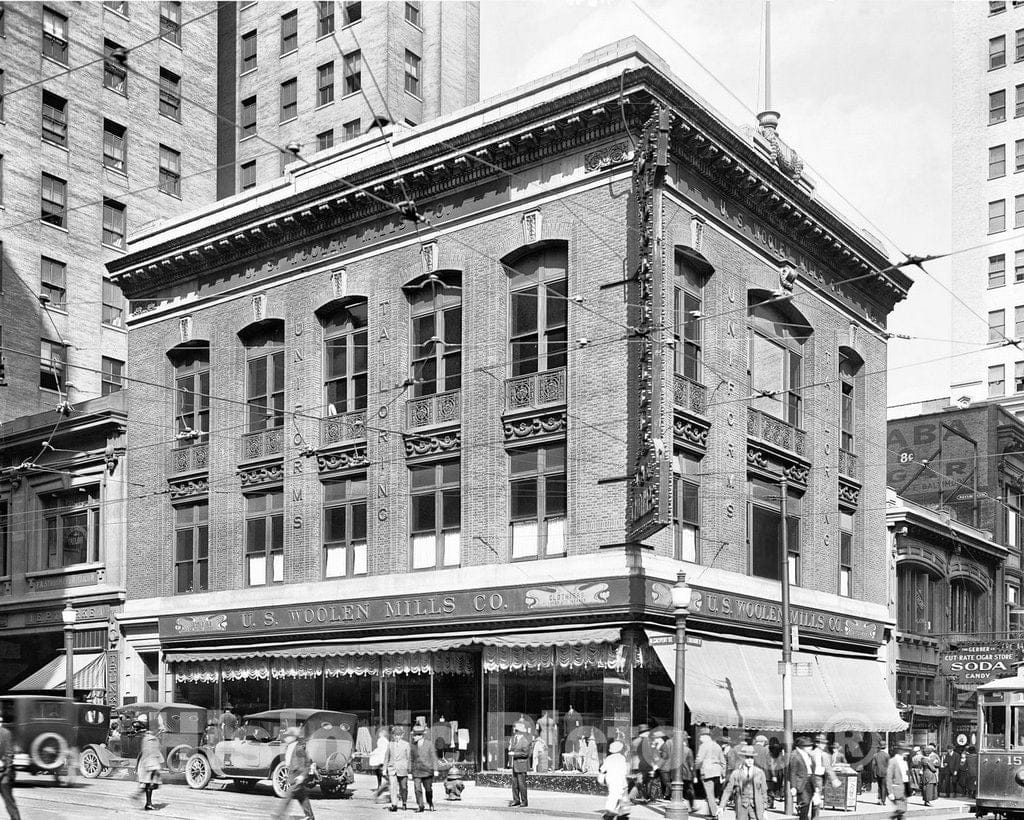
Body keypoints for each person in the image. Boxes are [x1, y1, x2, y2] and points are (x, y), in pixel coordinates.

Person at [271, 727, 314, 820]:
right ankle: (310, 817)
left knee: (289, 795)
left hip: (298, 776)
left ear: (293, 737)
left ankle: (279, 815)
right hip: (293, 775)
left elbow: (306, 764)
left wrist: (302, 776)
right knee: (302, 796)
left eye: (287, 736)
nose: (285, 738)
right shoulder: (290, 746)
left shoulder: (299, 748)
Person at [720, 744, 769, 820]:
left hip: (756, 806)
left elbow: (764, 791)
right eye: (747, 757)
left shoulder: (760, 773)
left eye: (751, 757)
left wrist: (765, 809)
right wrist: (721, 806)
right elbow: (728, 791)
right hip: (741, 806)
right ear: (742, 758)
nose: (750, 760)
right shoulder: (736, 773)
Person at [133, 718, 165, 812]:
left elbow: (156, 750)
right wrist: (151, 766)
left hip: (153, 763)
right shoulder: (149, 738)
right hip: (149, 764)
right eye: (158, 727)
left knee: (153, 785)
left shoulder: (153, 738)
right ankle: (148, 804)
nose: (159, 729)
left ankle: (138, 796)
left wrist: (160, 761)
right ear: (154, 728)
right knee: (150, 784)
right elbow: (147, 752)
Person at [696, 727, 727, 817]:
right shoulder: (717, 745)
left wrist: (694, 768)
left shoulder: (703, 746)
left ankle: (714, 814)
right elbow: (723, 761)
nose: (699, 739)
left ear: (705, 736)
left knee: (709, 794)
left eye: (700, 737)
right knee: (712, 793)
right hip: (717, 772)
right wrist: (723, 774)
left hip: (707, 772)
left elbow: (699, 759)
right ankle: (710, 812)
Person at [599, 739, 631, 820]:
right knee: (623, 795)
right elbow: (625, 770)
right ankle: (623, 812)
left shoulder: (608, 758)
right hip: (621, 780)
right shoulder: (622, 758)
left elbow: (602, 769)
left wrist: (601, 779)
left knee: (613, 795)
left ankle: (610, 812)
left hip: (611, 780)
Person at [410, 725, 437, 813]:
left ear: (421, 735)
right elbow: (411, 759)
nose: (414, 737)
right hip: (417, 771)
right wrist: (410, 771)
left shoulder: (429, 744)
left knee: (428, 789)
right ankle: (420, 805)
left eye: (416, 735)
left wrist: (435, 769)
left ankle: (430, 803)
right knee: (417, 789)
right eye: (414, 735)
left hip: (427, 770)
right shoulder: (413, 746)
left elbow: (434, 757)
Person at [788, 736, 817, 820]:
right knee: (805, 802)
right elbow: (792, 772)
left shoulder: (808, 754)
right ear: (801, 746)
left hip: (810, 780)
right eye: (807, 746)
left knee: (813, 803)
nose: (810, 747)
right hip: (801, 782)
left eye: (810, 746)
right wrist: (793, 786)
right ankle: (802, 816)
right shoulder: (795, 755)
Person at [385, 725, 411, 813]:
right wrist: (385, 768)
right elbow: (386, 757)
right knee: (392, 787)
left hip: (403, 769)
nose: (397, 737)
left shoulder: (406, 744)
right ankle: (394, 804)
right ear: (393, 735)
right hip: (392, 769)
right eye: (395, 735)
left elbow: (409, 759)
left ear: (402, 735)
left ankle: (404, 802)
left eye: (398, 735)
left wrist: (409, 770)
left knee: (403, 787)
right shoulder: (390, 744)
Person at [0, 712, 21, 820]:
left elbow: (9, 753)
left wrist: (6, 767)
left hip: (3, 775)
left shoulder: (5, 733)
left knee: (9, 803)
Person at [509, 719, 532, 807]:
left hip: (521, 765)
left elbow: (525, 754)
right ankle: (516, 800)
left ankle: (524, 801)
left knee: (522, 784)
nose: (515, 732)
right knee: (515, 784)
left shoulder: (524, 741)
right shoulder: (515, 740)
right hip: (515, 765)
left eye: (516, 730)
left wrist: (514, 754)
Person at [629, 724, 653, 803]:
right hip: (642, 764)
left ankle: (646, 797)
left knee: (637, 781)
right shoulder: (644, 740)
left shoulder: (635, 740)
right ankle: (629, 798)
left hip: (633, 764)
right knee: (640, 782)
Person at [886, 744, 910, 820]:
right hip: (896, 790)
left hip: (904, 788)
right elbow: (889, 777)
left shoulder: (904, 761)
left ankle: (894, 817)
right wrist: (890, 792)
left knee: (902, 810)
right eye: (905, 750)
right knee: (901, 810)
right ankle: (891, 817)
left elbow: (906, 775)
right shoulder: (893, 761)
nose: (907, 752)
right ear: (900, 751)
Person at [369, 726, 390, 803]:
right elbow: (381, 750)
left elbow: (380, 749)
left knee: (385, 777)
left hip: (381, 760)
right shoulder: (384, 740)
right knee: (388, 778)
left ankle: (379, 790)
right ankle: (379, 790)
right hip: (382, 760)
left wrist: (373, 753)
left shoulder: (382, 740)